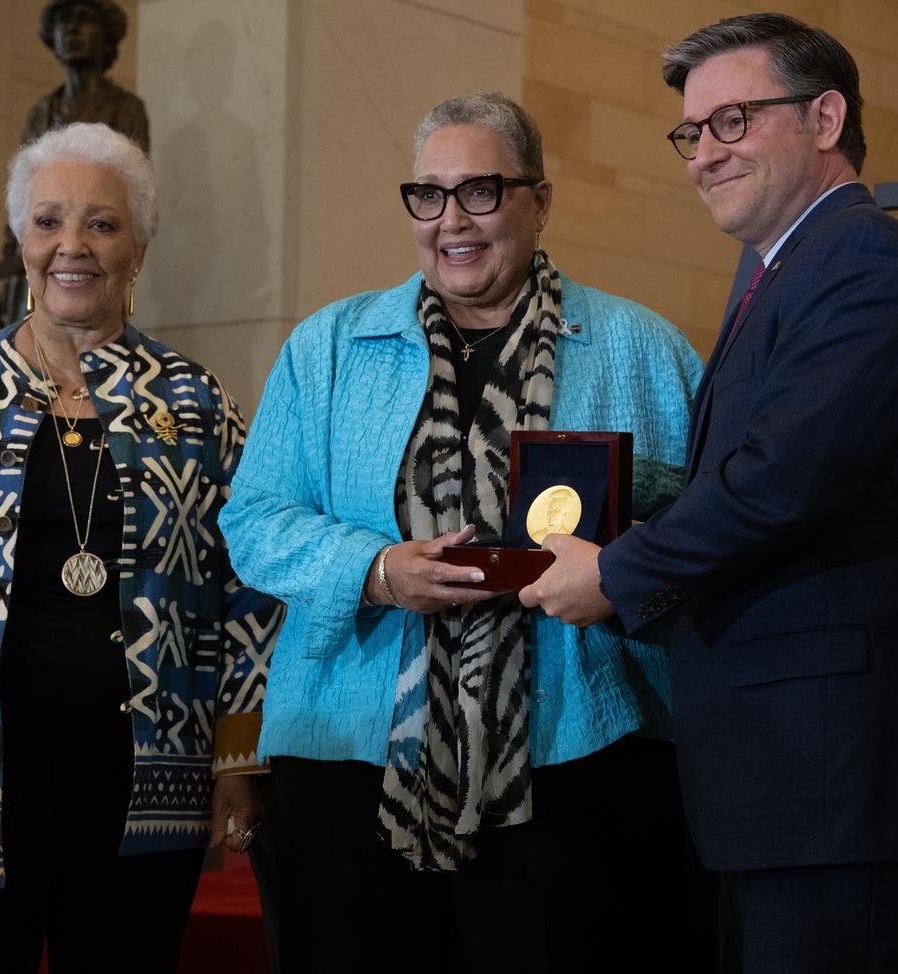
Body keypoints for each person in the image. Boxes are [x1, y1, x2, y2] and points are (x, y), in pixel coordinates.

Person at [522, 14, 898, 972]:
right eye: (693, 131)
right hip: (790, 780)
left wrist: (616, 572)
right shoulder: (784, 270)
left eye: (735, 120)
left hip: (846, 778)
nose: (705, 153)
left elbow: (782, 478)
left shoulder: (863, 264)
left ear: (825, 116)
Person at [220, 92, 704, 973]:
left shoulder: (644, 349)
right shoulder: (328, 346)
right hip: (349, 757)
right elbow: (253, 520)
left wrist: (618, 571)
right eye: (430, 195)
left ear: (541, 202)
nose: (453, 221)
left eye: (482, 192)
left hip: (577, 755)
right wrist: (372, 568)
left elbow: (703, 526)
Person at [0, 122, 280, 973]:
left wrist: (237, 755)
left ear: (138, 248)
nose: (73, 246)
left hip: (146, 788)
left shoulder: (196, 400)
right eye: (48, 222)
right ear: (20, 241)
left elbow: (246, 591)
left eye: (102, 224)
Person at [0, 0, 150, 327]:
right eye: (65, 22)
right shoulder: (43, 109)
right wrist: (8, 272)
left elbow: (134, 200)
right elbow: (22, 198)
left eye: (84, 20)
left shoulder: (126, 107)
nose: (73, 30)